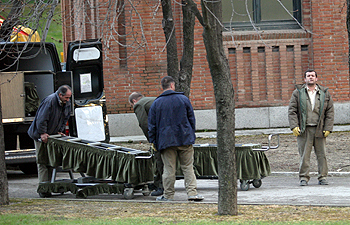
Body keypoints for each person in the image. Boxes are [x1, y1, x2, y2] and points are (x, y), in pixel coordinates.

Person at [148, 76, 204, 201]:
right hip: (184, 138)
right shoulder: (183, 99)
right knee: (188, 167)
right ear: (173, 86)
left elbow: (152, 126)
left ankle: (168, 196)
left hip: (166, 141)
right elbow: (191, 119)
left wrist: (154, 142)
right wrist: (191, 134)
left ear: (162, 87)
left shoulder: (156, 103)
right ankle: (192, 193)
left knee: (168, 169)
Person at [288, 69, 334, 186]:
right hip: (304, 130)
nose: (311, 78)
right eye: (308, 76)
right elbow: (292, 111)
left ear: (316, 78)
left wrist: (328, 127)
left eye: (313, 76)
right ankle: (304, 177)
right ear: (305, 79)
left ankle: (322, 177)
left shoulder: (324, 92)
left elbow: (330, 112)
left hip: (320, 129)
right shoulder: (298, 93)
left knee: (322, 155)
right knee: (304, 155)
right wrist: (294, 126)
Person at [28, 85, 72, 197]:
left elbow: (65, 118)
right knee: (42, 161)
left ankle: (49, 186)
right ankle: (43, 188)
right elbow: (41, 119)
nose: (68, 100)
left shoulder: (66, 103)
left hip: (52, 133)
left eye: (69, 97)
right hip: (40, 134)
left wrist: (59, 131)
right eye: (66, 97)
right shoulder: (50, 101)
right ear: (60, 95)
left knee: (51, 161)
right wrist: (43, 133)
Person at [128, 92, 164, 196]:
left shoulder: (139, 105)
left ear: (134, 101)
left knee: (159, 160)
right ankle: (157, 183)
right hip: (169, 133)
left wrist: (151, 140)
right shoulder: (154, 99)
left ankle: (161, 187)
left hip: (159, 136)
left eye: (131, 105)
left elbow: (144, 123)